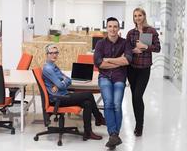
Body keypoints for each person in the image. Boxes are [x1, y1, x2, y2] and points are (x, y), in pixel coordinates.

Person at [42, 44, 105, 141]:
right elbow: (62, 85)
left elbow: (68, 80)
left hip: (63, 95)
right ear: (47, 54)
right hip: (58, 99)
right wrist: (61, 82)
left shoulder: (54, 66)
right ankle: (98, 117)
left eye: (56, 53)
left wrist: (61, 82)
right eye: (51, 53)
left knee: (87, 103)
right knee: (88, 94)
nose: (54, 55)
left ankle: (88, 132)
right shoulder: (48, 69)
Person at [94, 17, 132, 149]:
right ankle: (113, 135)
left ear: (119, 28)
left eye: (115, 26)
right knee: (108, 103)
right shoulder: (100, 44)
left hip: (119, 77)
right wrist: (118, 61)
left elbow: (127, 61)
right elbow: (99, 63)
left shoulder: (125, 43)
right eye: (110, 26)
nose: (112, 29)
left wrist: (109, 60)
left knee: (116, 104)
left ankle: (114, 136)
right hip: (104, 77)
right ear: (107, 28)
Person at [126, 8, 161, 137]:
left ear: (144, 16)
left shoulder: (151, 31)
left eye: (140, 15)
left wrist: (145, 47)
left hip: (144, 69)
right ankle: (137, 124)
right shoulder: (131, 33)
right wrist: (133, 50)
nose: (137, 18)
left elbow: (157, 48)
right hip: (131, 69)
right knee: (135, 97)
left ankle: (139, 126)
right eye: (135, 16)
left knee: (137, 96)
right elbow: (126, 49)